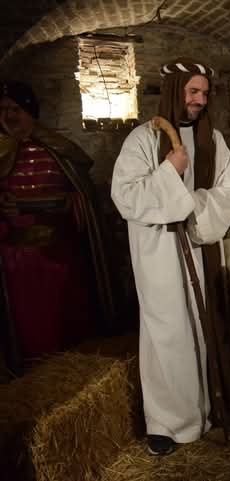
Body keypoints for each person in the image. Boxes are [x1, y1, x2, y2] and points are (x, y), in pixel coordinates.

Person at [111, 58, 230, 456]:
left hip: (199, 247)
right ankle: (167, 423)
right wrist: (169, 171)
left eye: (204, 93)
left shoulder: (211, 139)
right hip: (159, 252)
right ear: (174, 91)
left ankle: (207, 409)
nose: (200, 100)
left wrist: (193, 207)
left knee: (202, 325)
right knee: (168, 331)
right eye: (193, 91)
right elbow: (125, 196)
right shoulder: (142, 140)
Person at [0, 80, 115, 375]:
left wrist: (72, 201)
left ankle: (70, 366)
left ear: (30, 112)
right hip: (16, 257)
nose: (9, 115)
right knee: (27, 323)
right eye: (4, 109)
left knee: (63, 317)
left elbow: (82, 192)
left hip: (59, 251)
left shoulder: (58, 149)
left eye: (15, 109)